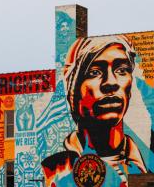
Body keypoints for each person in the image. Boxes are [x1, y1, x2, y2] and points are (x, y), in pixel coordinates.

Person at [42, 35, 147, 187]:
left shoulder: (144, 168)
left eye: (121, 70)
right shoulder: (53, 170)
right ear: (74, 91)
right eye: (95, 72)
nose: (111, 82)